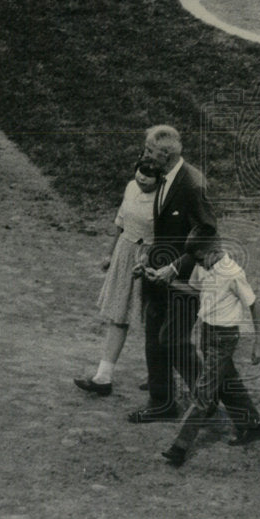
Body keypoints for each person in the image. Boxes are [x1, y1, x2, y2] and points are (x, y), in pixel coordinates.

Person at [128, 125, 217, 424]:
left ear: (165, 155)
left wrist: (175, 267)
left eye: (150, 152)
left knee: (173, 339)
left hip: (183, 279)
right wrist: (149, 260)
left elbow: (207, 232)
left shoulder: (192, 184)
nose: (145, 155)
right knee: (154, 333)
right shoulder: (163, 178)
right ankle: (161, 400)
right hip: (158, 273)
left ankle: (207, 397)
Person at [161, 225, 260, 467]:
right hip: (206, 332)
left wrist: (259, 342)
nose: (197, 263)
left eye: (199, 258)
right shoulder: (202, 265)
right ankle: (253, 425)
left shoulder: (233, 272)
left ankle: (179, 447)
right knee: (227, 381)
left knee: (203, 392)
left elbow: (254, 303)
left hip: (225, 337)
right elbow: (195, 290)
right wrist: (167, 282)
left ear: (213, 251)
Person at [75, 160, 161, 396]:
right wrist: (110, 253)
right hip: (125, 255)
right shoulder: (131, 187)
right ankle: (103, 376)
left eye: (150, 175)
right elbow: (121, 224)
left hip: (151, 260)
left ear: (160, 177)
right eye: (141, 172)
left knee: (155, 320)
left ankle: (160, 376)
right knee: (118, 315)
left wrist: (149, 259)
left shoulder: (165, 198)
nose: (142, 178)